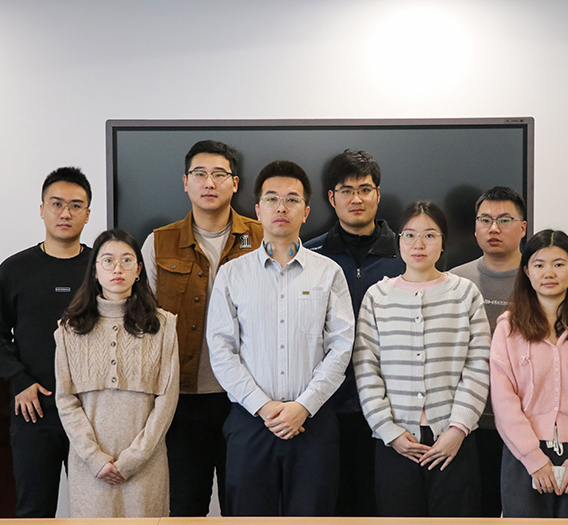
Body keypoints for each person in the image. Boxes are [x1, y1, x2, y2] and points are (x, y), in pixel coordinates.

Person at [207, 160, 355, 516]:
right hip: (250, 422)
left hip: (313, 422)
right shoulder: (232, 274)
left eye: (292, 199)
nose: (281, 207)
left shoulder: (328, 272)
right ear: (258, 210)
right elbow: (221, 349)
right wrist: (264, 406)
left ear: (306, 211)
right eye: (272, 199)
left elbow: (341, 346)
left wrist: (303, 406)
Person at [141, 139, 263, 516]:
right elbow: (144, 327)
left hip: (247, 397)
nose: (209, 182)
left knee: (244, 507)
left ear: (235, 183)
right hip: (182, 398)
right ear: (185, 182)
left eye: (219, 174)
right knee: (184, 507)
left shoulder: (263, 238)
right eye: (199, 174)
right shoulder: (158, 243)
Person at [354, 201, 490, 517]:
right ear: (398, 241)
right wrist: (389, 431)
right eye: (409, 235)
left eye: (429, 235)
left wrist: (457, 429)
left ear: (443, 243)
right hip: (396, 441)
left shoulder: (464, 293)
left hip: (453, 439)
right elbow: (366, 368)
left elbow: (478, 365)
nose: (419, 244)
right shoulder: (377, 296)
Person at [0, 167, 92, 517]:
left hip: (91, 411)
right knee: (33, 512)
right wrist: (19, 380)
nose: (65, 213)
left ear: (88, 214)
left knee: (96, 511)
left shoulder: (102, 268)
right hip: (34, 410)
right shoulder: (15, 269)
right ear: (42, 209)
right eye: (56, 204)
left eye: (75, 205)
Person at [490, 229, 568, 518]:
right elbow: (503, 399)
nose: (549, 273)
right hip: (523, 456)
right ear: (526, 272)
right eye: (539, 264)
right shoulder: (508, 328)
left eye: (559, 264)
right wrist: (533, 458)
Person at [304, 149, 404, 516]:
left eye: (364, 189)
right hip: (326, 407)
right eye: (346, 191)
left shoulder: (407, 254)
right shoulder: (310, 256)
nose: (356, 199)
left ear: (378, 194)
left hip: (395, 407)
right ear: (332, 198)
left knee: (388, 508)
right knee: (331, 507)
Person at [54, 229, 179, 517]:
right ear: (95, 271)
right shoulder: (69, 329)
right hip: (90, 469)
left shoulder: (163, 325)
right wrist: (94, 458)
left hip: (146, 465)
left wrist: (134, 459)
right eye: (108, 261)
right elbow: (66, 400)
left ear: (139, 270)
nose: (117, 269)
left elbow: (167, 400)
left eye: (126, 260)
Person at [449, 185, 527, 516]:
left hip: (526, 426)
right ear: (475, 227)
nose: (493, 228)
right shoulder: (455, 281)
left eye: (505, 220)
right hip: (468, 425)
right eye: (485, 220)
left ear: (522, 227)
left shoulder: (540, 279)